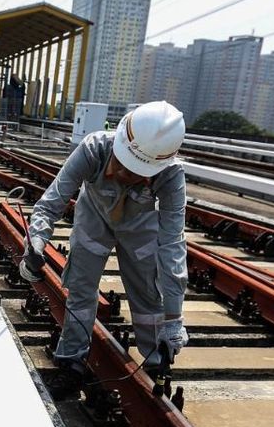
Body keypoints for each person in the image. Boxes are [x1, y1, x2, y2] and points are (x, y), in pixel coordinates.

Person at [18, 100, 189, 393]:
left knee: (150, 297)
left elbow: (172, 244)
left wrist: (174, 317)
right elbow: (52, 202)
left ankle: (155, 362)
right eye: (124, 165)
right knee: (82, 290)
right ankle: (71, 361)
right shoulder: (93, 148)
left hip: (139, 228)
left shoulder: (171, 175)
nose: (127, 174)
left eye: (138, 172)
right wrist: (36, 240)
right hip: (93, 218)